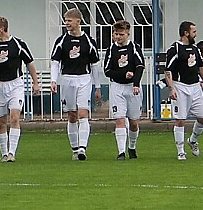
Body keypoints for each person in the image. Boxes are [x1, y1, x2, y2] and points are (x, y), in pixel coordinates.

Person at [51, 9, 103, 161]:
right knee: (72, 115)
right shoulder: (61, 41)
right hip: (67, 79)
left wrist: (98, 87)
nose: (66, 23)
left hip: (84, 79)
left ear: (78, 21)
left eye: (69, 20)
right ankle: (75, 148)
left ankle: (82, 148)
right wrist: (53, 80)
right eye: (65, 20)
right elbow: (55, 62)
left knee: (83, 113)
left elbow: (94, 65)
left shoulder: (89, 41)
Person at [0, 16, 37, 162]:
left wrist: (35, 82)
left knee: (14, 117)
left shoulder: (18, 44)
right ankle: (4, 153)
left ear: (2, 29)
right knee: (1, 122)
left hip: (15, 85)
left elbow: (30, 63)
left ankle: (12, 153)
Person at [164, 21, 203, 161]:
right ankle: (181, 151)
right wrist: (171, 88)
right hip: (180, 87)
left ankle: (192, 140)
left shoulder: (195, 49)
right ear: (186, 33)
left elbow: (201, 66)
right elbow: (168, 71)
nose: (195, 34)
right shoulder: (175, 48)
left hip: (195, 87)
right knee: (180, 120)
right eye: (194, 32)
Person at [103, 21, 145, 161]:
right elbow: (107, 71)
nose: (118, 37)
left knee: (133, 122)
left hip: (132, 87)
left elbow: (140, 66)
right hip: (117, 87)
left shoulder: (134, 47)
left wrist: (136, 83)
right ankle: (121, 152)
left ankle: (132, 147)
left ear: (128, 34)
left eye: (121, 34)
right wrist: (123, 74)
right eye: (116, 34)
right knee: (120, 119)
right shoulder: (111, 49)